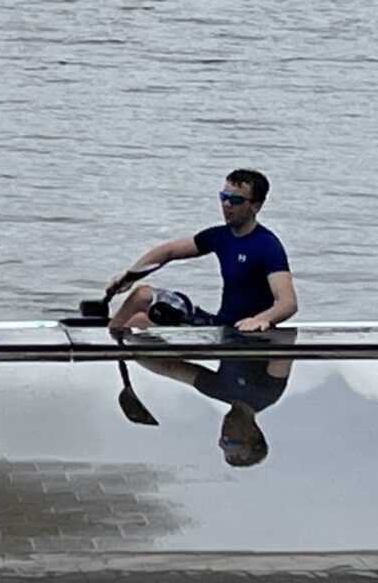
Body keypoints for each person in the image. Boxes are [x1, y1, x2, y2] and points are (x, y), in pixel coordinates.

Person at [104, 168, 297, 333]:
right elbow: (168, 252)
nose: (227, 204)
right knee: (139, 306)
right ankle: (106, 345)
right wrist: (128, 277)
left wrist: (260, 320)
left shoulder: (267, 245)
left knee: (140, 311)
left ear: (256, 206)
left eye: (236, 200)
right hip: (217, 323)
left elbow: (288, 303)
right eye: (224, 197)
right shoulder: (220, 236)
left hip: (240, 333)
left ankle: (104, 349)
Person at [126, 345, 294, 466]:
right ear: (254, 434)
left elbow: (167, 367)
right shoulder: (267, 394)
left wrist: (129, 352)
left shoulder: (217, 390)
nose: (225, 436)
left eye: (222, 443)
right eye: (233, 442)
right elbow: (285, 343)